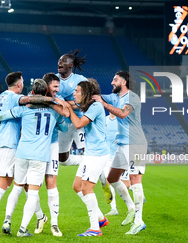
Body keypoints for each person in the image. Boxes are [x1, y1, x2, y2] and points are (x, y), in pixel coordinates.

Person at [0, 72, 62, 235]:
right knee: (3, 183)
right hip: (9, 144)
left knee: (17, 183)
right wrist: (53, 100)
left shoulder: (1, 96)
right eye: (22, 82)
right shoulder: (16, 98)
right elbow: (30, 100)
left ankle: (40, 216)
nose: (23, 84)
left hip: (2, 142)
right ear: (18, 85)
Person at [2, 73, 68, 237]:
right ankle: (23, 229)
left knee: (17, 188)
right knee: (33, 193)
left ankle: (7, 220)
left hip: (22, 153)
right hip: (40, 156)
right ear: (46, 90)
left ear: (32, 91)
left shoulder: (24, 108)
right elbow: (65, 127)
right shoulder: (54, 111)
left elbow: (3, 115)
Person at [93, 70, 147, 235]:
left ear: (124, 82)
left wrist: (104, 104)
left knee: (135, 181)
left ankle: (139, 221)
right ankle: (131, 208)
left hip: (136, 144)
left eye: (115, 79)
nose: (112, 82)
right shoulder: (115, 97)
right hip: (123, 145)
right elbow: (97, 96)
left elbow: (123, 114)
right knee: (112, 178)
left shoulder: (132, 97)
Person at [66, 79, 110, 237]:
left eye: (77, 91)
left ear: (85, 94)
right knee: (77, 186)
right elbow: (72, 104)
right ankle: (100, 218)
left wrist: (69, 111)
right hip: (90, 153)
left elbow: (78, 124)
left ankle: (95, 229)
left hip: (97, 154)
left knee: (87, 188)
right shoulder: (89, 105)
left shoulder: (96, 106)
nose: (74, 93)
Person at [56, 49, 88, 166]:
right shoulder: (53, 79)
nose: (60, 63)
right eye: (59, 60)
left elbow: (85, 103)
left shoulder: (81, 80)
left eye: (63, 61)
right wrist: (73, 104)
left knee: (88, 152)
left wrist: (64, 103)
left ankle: (105, 181)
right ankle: (81, 161)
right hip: (62, 124)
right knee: (62, 160)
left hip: (79, 122)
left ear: (71, 65)